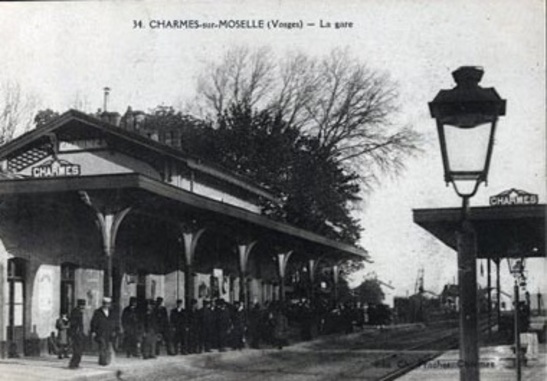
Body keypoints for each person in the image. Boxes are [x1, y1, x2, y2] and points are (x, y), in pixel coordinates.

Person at [90, 297, 118, 366]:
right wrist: (93, 331)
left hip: (109, 332)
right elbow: (93, 322)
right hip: (100, 332)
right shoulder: (97, 312)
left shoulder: (112, 312)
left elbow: (115, 322)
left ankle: (106, 359)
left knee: (108, 346)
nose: (107, 305)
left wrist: (115, 330)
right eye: (105, 304)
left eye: (108, 304)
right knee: (102, 346)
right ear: (103, 304)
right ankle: (103, 361)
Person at [68, 299, 86, 369]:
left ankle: (76, 363)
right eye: (82, 306)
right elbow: (73, 323)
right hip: (76, 334)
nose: (83, 307)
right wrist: (76, 331)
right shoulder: (75, 312)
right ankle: (73, 364)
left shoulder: (79, 312)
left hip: (79, 333)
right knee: (77, 349)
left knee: (79, 349)